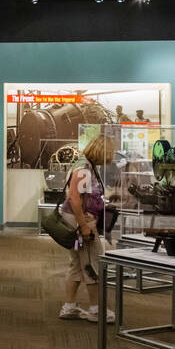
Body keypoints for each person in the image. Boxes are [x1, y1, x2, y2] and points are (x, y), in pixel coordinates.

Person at [57, 134, 117, 323]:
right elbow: (75, 198)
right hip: (82, 220)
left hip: (76, 219)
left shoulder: (85, 165)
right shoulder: (84, 169)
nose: (110, 158)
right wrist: (83, 226)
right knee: (92, 263)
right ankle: (95, 309)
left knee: (76, 263)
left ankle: (69, 306)